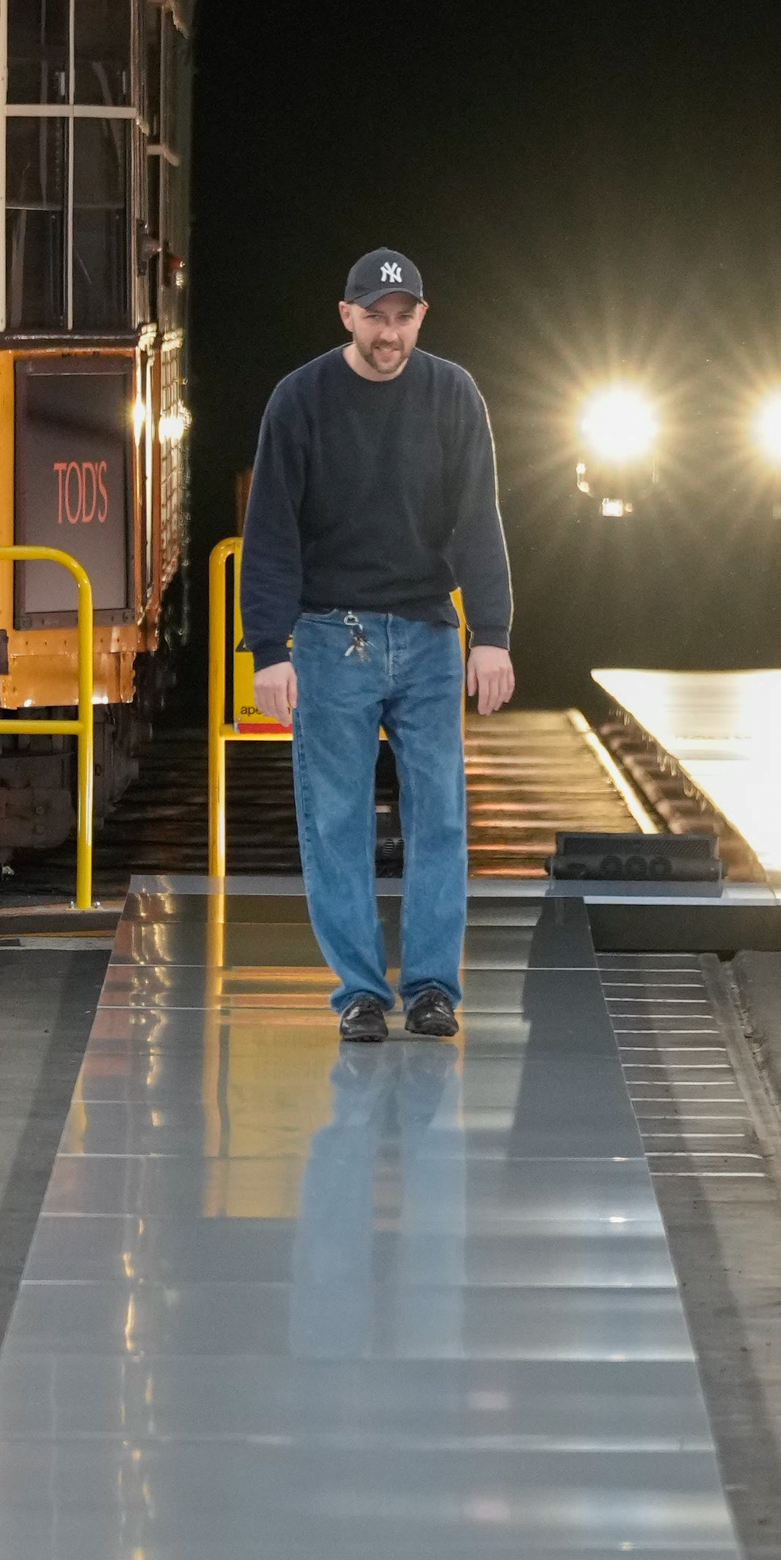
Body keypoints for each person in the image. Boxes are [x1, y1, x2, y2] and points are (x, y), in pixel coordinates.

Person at [240, 245, 515, 1045]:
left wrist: (489, 635)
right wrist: (268, 648)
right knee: (335, 820)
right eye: (374, 318)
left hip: (429, 633)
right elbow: (271, 534)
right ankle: (360, 992)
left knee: (440, 820)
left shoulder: (451, 392)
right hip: (331, 636)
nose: (388, 333)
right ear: (346, 316)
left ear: (419, 316)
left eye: (402, 318)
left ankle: (431, 990)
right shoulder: (300, 399)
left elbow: (477, 517)